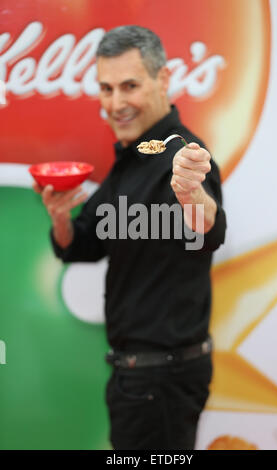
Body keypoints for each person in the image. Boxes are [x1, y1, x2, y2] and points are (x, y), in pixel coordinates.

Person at [33, 25, 226, 450]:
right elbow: (84, 244)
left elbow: (210, 230)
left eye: (129, 86)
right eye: (106, 88)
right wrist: (62, 219)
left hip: (161, 383)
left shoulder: (185, 157)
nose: (115, 103)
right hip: (139, 381)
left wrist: (194, 196)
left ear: (162, 80)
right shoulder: (134, 158)